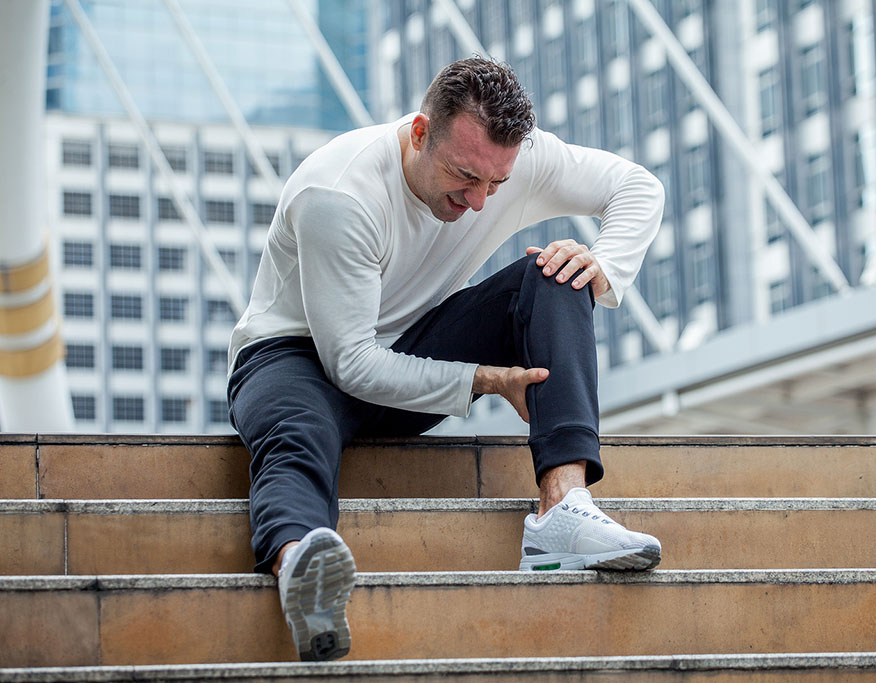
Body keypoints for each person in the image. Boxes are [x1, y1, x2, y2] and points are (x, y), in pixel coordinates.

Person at [227, 57, 665, 662]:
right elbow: (351, 363)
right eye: (465, 177)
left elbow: (638, 186)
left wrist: (604, 264)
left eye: (498, 185)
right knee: (300, 433)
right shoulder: (340, 192)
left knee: (558, 272)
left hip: (409, 348)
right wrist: (484, 379)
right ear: (418, 132)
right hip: (293, 357)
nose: (482, 202)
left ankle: (564, 509)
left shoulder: (509, 163)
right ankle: (302, 564)